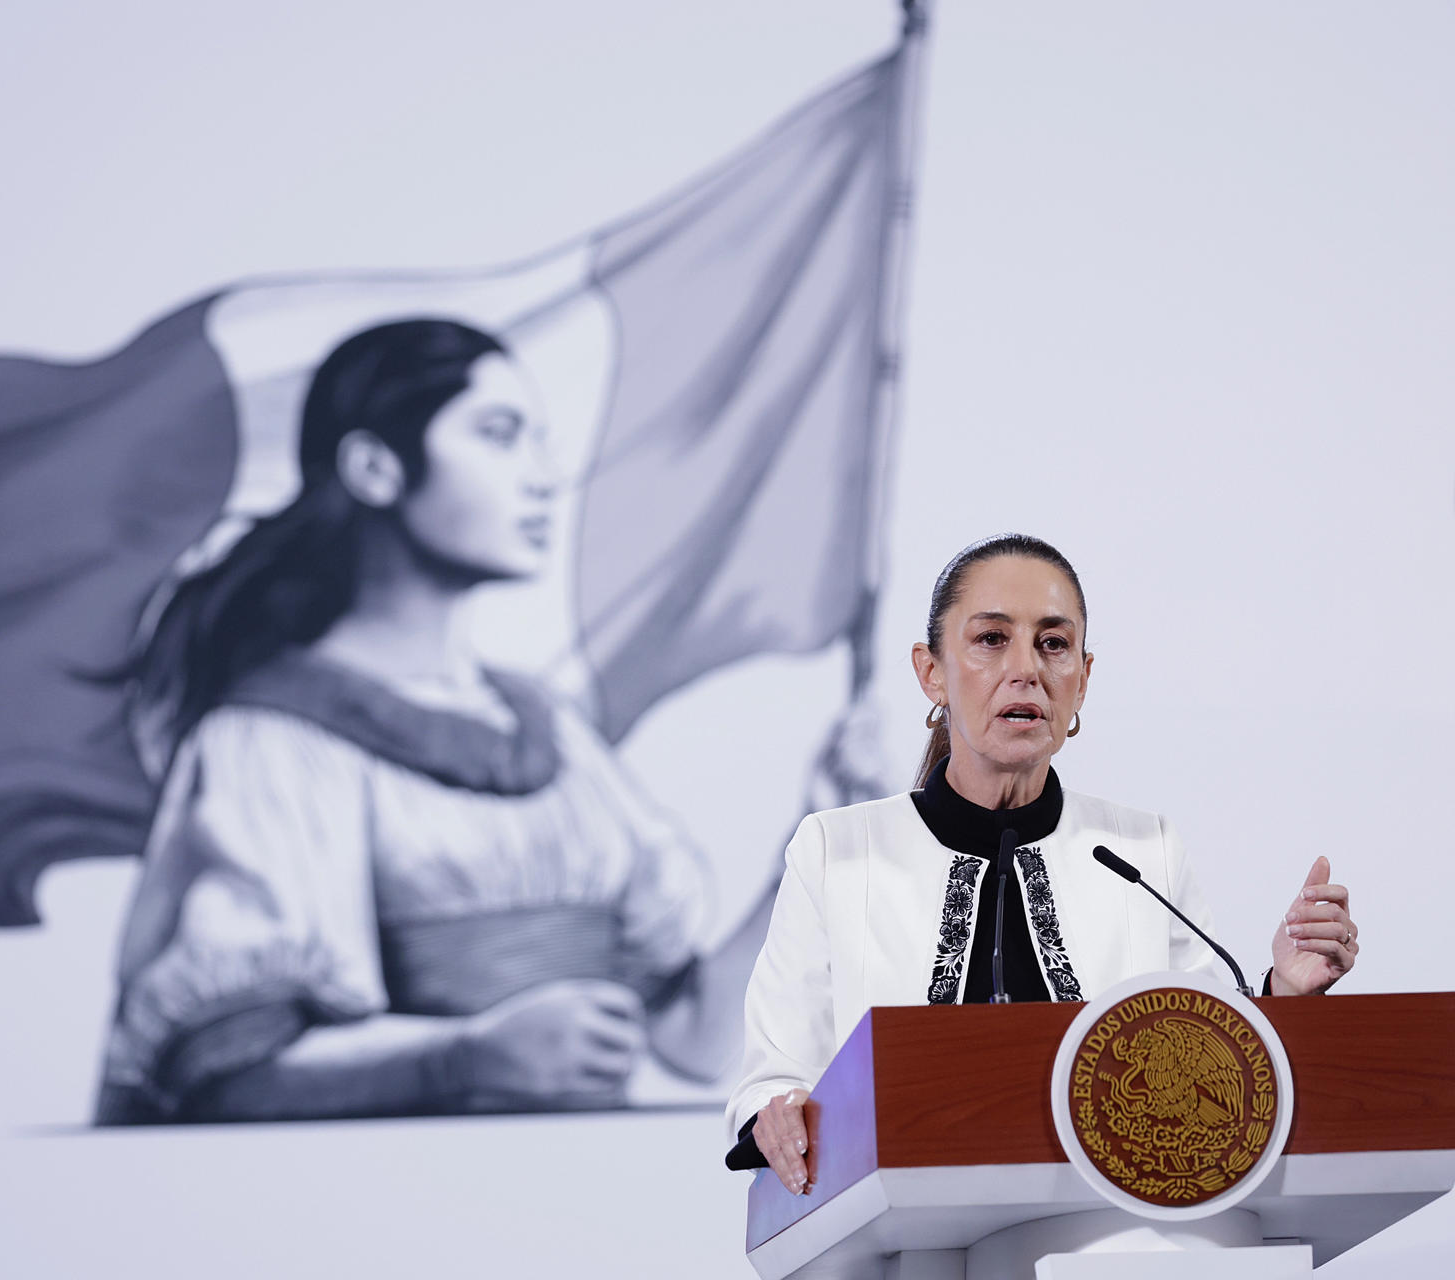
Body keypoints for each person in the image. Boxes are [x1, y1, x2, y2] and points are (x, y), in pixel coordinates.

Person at [94, 318, 776, 1123]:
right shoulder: (269, 741)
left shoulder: (548, 730)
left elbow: (691, 1037)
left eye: (538, 441)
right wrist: (465, 1056)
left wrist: (809, 854)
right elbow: (226, 1072)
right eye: (498, 435)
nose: (542, 477)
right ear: (375, 467)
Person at [725, 534, 1360, 1193]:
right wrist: (778, 1115)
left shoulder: (1144, 852)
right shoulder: (838, 850)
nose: (1026, 668)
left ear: (1082, 678)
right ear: (931, 671)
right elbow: (775, 1075)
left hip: (1106, 1232)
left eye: (1053, 644)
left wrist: (1286, 989)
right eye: (992, 639)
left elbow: (1206, 1054)